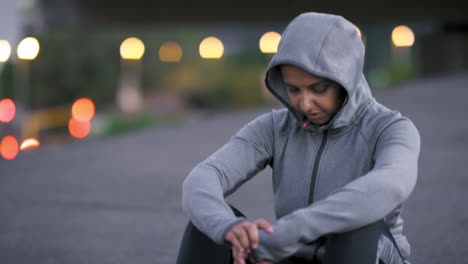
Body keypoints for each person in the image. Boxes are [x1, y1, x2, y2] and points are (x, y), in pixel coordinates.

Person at [178, 12, 420, 264]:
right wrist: (228, 227)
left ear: (345, 79)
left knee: (355, 229)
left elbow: (388, 185)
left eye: (318, 89)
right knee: (207, 228)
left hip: (368, 254)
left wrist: (287, 233)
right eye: (293, 89)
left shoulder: (391, 129)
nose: (305, 104)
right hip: (291, 256)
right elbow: (203, 178)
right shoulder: (275, 127)